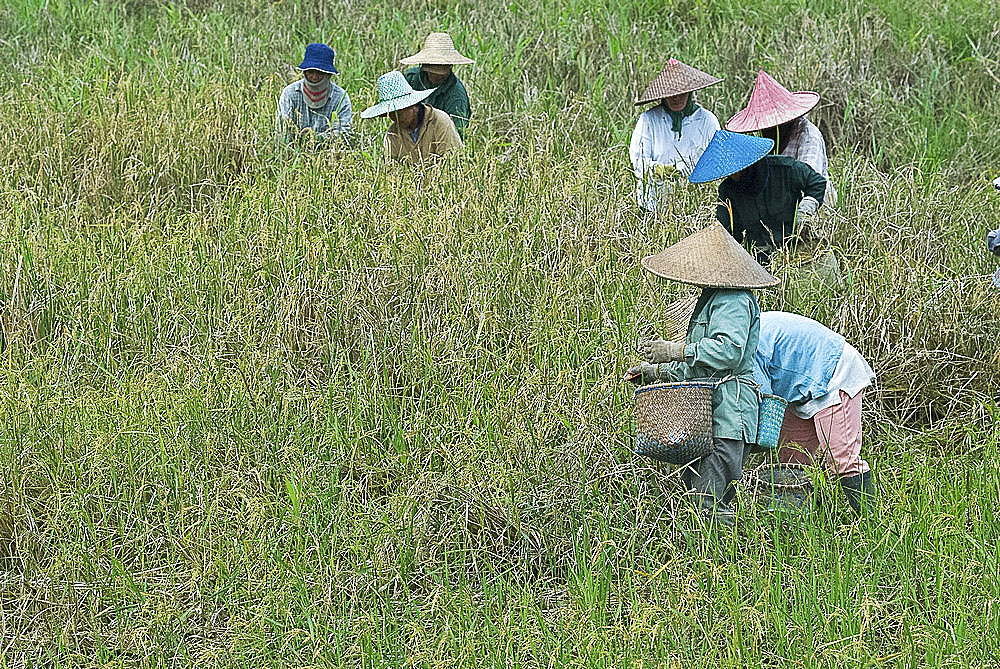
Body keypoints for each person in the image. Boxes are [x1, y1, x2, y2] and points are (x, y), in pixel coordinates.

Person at [627, 222, 781, 526]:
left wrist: (675, 350)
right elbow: (700, 365)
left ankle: (721, 563)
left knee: (706, 501)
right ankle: (717, 561)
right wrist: (655, 372)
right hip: (709, 415)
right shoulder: (713, 297)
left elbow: (728, 352)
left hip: (729, 414)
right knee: (701, 495)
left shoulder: (733, 300)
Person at [752, 312, 877, 514]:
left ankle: (869, 524)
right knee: (790, 461)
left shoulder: (746, 342)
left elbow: (762, 398)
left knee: (842, 461)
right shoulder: (744, 329)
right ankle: (799, 524)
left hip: (833, 374)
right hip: (799, 387)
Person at [689, 129, 827, 264]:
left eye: (735, 170)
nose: (732, 176)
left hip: (795, 248)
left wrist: (804, 213)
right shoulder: (728, 190)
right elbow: (727, 233)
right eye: (728, 172)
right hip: (758, 259)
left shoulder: (785, 169)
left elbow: (817, 183)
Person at [727, 70, 837, 207]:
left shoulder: (808, 136)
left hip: (812, 208)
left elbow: (811, 185)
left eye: (771, 126)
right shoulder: (764, 139)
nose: (765, 131)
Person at [628, 59, 722, 212]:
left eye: (680, 93)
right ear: (663, 95)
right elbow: (638, 161)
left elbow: (716, 161)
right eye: (671, 94)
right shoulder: (648, 120)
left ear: (689, 91)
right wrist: (663, 170)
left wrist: (692, 173)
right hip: (653, 204)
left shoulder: (707, 120)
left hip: (696, 204)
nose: (676, 98)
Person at [360, 71, 463, 162]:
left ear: (412, 105)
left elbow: (452, 163)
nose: (396, 119)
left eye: (399, 114)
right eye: (391, 115)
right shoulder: (393, 135)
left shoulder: (440, 122)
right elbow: (391, 172)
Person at [276, 43, 352, 147]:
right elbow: (282, 130)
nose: (314, 77)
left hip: (329, 154)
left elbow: (343, 132)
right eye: (310, 72)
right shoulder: (290, 94)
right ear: (304, 71)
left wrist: (316, 140)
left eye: (320, 73)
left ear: (328, 74)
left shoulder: (340, 98)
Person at [401, 32, 474, 138]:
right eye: (433, 73)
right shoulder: (411, 79)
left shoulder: (457, 96)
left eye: (442, 73)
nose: (438, 77)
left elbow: (457, 135)